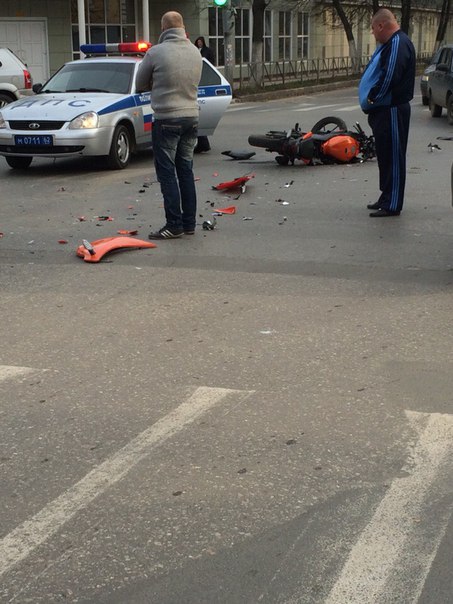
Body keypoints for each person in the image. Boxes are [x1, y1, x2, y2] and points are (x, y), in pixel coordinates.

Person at [135, 11, 202, 239]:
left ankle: (174, 225)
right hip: (191, 118)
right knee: (186, 170)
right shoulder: (195, 51)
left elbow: (140, 83)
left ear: (164, 28)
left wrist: (156, 83)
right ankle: (189, 223)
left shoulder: (156, 52)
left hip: (166, 119)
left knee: (167, 173)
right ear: (182, 28)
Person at [359, 8, 415, 217]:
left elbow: (390, 74)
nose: (373, 33)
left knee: (393, 157)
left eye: (373, 28)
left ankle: (392, 203)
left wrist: (372, 97)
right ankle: (386, 197)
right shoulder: (391, 43)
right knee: (385, 155)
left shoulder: (398, 43)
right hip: (385, 110)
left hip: (391, 109)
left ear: (381, 26)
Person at [193, 36, 214, 154]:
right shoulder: (193, 51)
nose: (199, 43)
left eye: (200, 42)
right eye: (198, 42)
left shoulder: (206, 51)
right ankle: (203, 144)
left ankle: (203, 144)